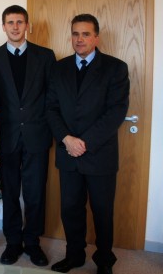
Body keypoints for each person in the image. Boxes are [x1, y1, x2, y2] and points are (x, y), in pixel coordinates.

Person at [46, 14, 130, 274]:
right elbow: (51, 109)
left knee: (102, 211)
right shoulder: (58, 68)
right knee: (71, 209)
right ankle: (75, 256)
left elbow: (116, 111)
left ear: (96, 37)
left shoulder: (115, 68)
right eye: (75, 34)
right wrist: (67, 139)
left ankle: (104, 260)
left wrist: (84, 142)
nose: (79, 39)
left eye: (85, 34)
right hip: (68, 153)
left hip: (100, 155)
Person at [0, 5, 56, 267]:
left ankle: (33, 243)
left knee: (35, 193)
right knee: (11, 193)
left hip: (37, 136)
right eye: (10, 22)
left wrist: (48, 128)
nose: (15, 26)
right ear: (3, 26)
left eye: (20, 22)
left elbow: (51, 97)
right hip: (6, 138)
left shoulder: (46, 57)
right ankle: (13, 242)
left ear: (27, 25)